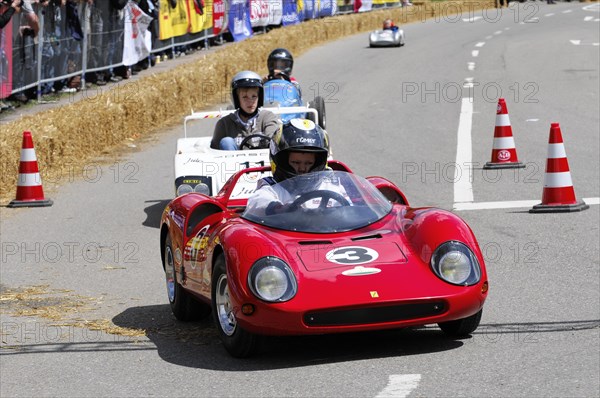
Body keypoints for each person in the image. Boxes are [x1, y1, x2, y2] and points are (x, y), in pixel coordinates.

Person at [246, 118, 348, 215]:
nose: (302, 169)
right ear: (282, 161)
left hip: (326, 230)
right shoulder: (272, 187)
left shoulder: (329, 185)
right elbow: (257, 203)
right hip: (286, 231)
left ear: (318, 163)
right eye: (296, 162)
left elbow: (349, 209)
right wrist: (278, 208)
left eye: (308, 163)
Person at [211, 70, 280, 150]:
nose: (250, 101)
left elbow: (273, 140)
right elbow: (213, 151)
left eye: (254, 96)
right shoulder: (224, 123)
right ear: (236, 99)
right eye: (245, 97)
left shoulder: (267, 117)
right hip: (234, 162)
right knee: (227, 142)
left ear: (259, 97)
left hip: (263, 161)